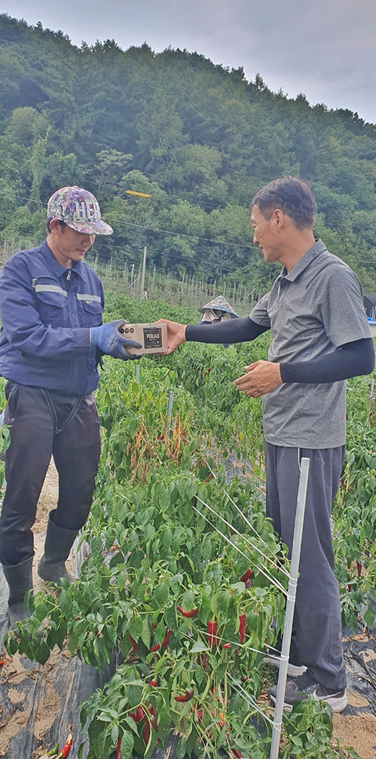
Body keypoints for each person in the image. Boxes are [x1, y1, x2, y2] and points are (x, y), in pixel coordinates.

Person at [160, 176, 375, 712]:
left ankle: (328, 682)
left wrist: (284, 373)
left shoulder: (332, 277)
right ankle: (298, 654)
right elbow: (248, 328)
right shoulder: (285, 281)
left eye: (256, 224)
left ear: (279, 216)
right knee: (287, 548)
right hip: (281, 433)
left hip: (311, 439)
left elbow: (361, 357)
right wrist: (186, 331)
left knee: (310, 553)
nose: (253, 234)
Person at [0, 186, 142, 628]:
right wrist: (90, 337)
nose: (87, 241)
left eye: (92, 233)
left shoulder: (91, 279)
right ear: (53, 227)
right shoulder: (20, 270)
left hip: (79, 398)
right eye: (79, 231)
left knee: (80, 490)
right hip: (34, 395)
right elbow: (28, 338)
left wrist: (112, 345)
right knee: (22, 497)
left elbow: (92, 339)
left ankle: (52, 563)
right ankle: (20, 595)